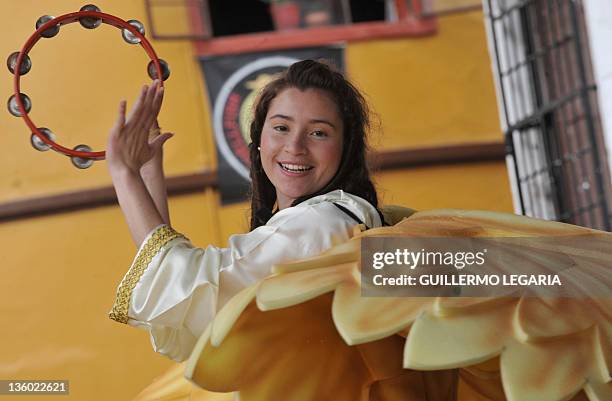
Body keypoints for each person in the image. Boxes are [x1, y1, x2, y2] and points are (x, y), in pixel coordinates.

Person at [107, 60, 384, 361]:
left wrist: (124, 173)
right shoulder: (335, 218)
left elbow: (189, 282)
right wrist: (148, 170)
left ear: (346, 147)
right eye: (281, 128)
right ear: (260, 140)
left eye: (318, 133)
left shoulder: (324, 223)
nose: (295, 146)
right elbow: (184, 292)